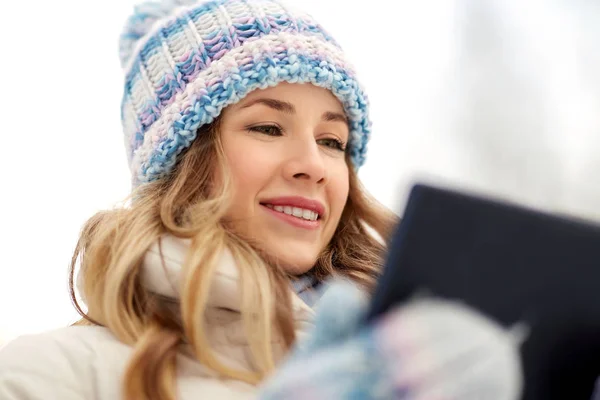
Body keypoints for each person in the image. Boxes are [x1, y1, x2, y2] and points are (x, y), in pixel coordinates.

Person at [0, 0, 523, 399]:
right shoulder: (51, 373)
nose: (313, 165)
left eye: (332, 141)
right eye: (269, 127)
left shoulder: (422, 356)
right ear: (183, 159)